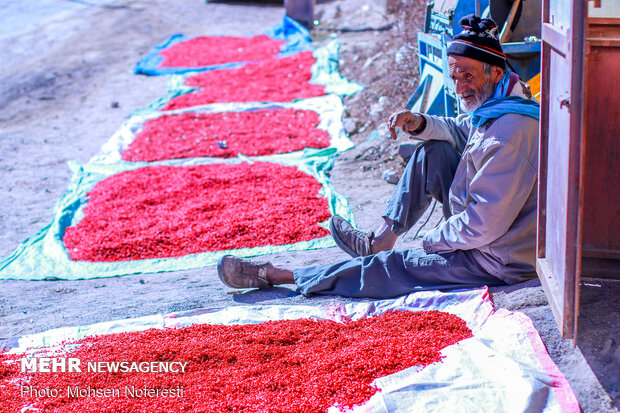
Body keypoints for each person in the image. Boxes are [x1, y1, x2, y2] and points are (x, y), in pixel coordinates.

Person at [216, 15, 541, 299]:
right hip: (490, 235)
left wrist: (432, 240)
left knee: (395, 268)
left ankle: (277, 276)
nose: (459, 88)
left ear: (496, 74)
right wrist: (420, 122)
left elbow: (481, 226)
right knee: (435, 149)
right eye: (454, 77)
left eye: (467, 76)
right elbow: (460, 130)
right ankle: (380, 241)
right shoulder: (501, 105)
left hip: (496, 260)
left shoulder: (509, 134)